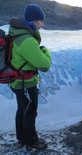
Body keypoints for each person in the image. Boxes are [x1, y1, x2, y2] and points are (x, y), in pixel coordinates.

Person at [8, 4, 51, 150]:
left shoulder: (17, 33)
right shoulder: (26, 40)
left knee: (22, 109)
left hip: (18, 82)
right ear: (33, 21)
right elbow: (44, 65)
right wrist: (45, 51)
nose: (42, 25)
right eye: (41, 21)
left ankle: (22, 139)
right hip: (25, 83)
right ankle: (31, 141)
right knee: (30, 112)